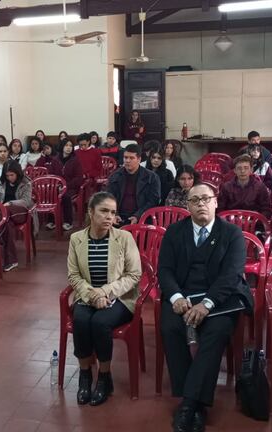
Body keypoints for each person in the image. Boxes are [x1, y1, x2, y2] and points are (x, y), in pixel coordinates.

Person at [157, 183, 252, 432]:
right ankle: (195, 401)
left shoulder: (232, 234)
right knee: (170, 327)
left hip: (218, 299)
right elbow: (164, 270)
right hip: (183, 296)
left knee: (215, 332)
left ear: (216, 202)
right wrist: (176, 296)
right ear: (187, 206)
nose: (201, 204)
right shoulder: (174, 232)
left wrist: (206, 304)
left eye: (206, 199)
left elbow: (231, 276)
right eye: (195, 200)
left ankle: (189, 405)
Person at [67, 192, 142, 407]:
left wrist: (106, 292)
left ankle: (104, 377)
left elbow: (134, 274)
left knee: (100, 322)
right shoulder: (76, 239)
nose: (109, 217)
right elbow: (73, 275)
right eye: (103, 211)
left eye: (112, 212)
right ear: (91, 212)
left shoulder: (124, 238)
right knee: (81, 320)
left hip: (119, 297)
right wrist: (93, 294)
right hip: (87, 295)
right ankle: (85, 375)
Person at [0, 161, 34, 272]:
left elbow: (27, 201)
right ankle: (11, 260)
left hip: (21, 211)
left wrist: (10, 203)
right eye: (7, 175)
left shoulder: (26, 182)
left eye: (12, 175)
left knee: (6, 213)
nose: (9, 178)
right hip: (3, 213)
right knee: (6, 223)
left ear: (18, 173)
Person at [107, 144, 161, 226]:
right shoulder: (115, 176)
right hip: (119, 216)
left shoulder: (151, 177)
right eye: (125, 157)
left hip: (142, 216)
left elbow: (153, 201)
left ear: (139, 159)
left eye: (131, 158)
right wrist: (115, 214)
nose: (127, 161)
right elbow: (109, 197)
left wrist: (138, 215)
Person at [55, 138, 83, 231]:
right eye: (66, 145)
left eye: (70, 146)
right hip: (57, 187)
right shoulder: (55, 160)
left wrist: (66, 186)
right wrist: (57, 185)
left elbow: (78, 178)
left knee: (65, 196)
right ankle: (52, 221)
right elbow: (52, 175)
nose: (68, 148)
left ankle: (68, 222)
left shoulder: (76, 160)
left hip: (71, 187)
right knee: (51, 195)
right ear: (62, 146)